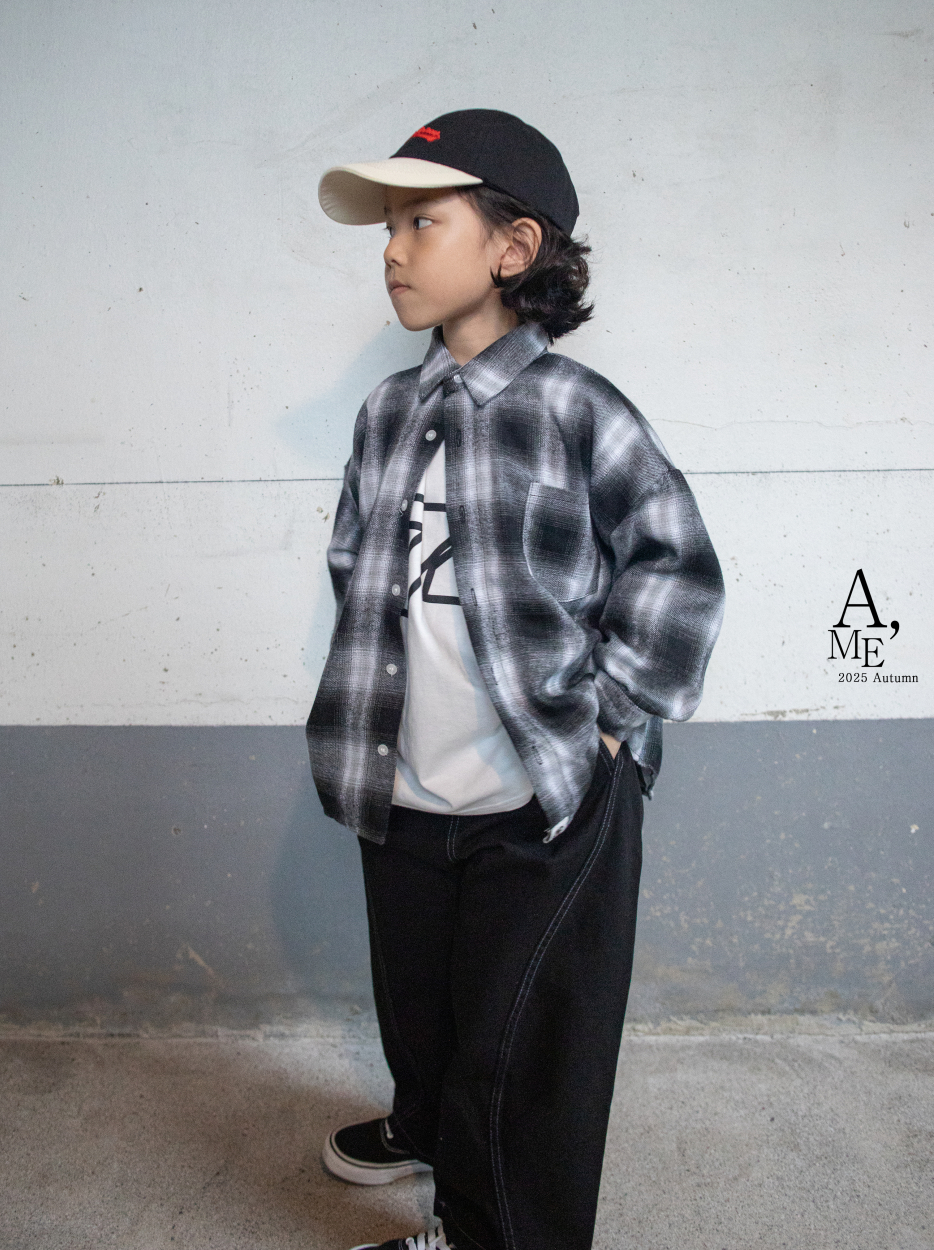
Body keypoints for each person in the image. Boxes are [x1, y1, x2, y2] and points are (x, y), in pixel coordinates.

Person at [306, 109, 724, 1250]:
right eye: (387, 228)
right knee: (424, 1003)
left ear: (512, 245)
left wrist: (607, 725)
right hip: (405, 781)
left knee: (527, 1044)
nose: (392, 250)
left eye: (420, 222)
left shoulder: (578, 410)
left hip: (542, 789)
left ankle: (491, 1232)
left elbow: (677, 569)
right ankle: (431, 1127)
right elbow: (353, 561)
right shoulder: (387, 412)